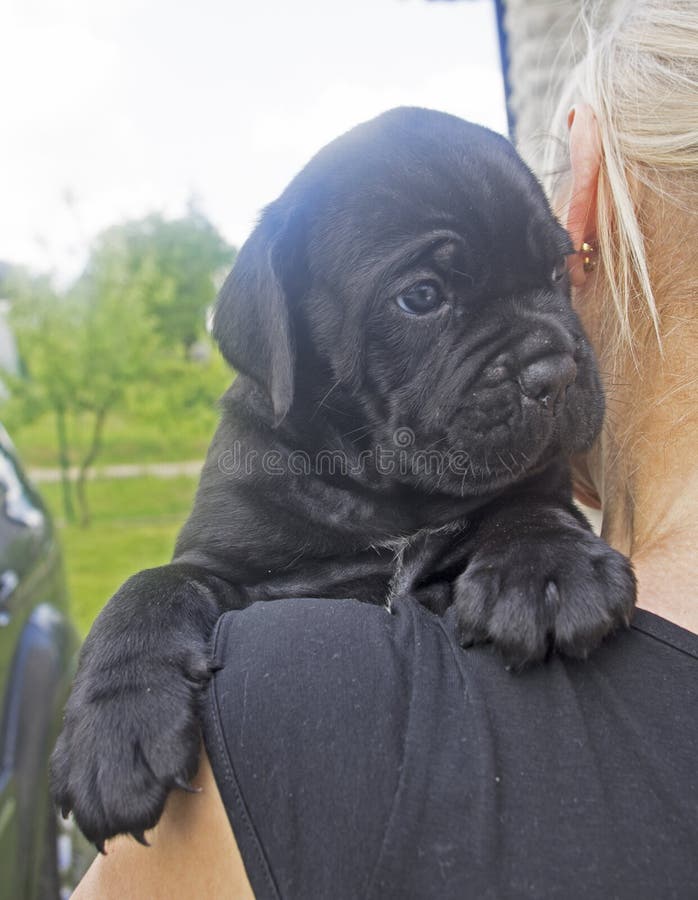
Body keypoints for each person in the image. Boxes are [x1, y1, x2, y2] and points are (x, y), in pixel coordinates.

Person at [73, 1, 697, 897]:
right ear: (285, 333)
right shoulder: (266, 472)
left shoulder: (516, 483)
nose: (548, 359)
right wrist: (131, 659)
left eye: (548, 273)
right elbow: (206, 578)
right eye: (423, 296)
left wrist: (537, 529)